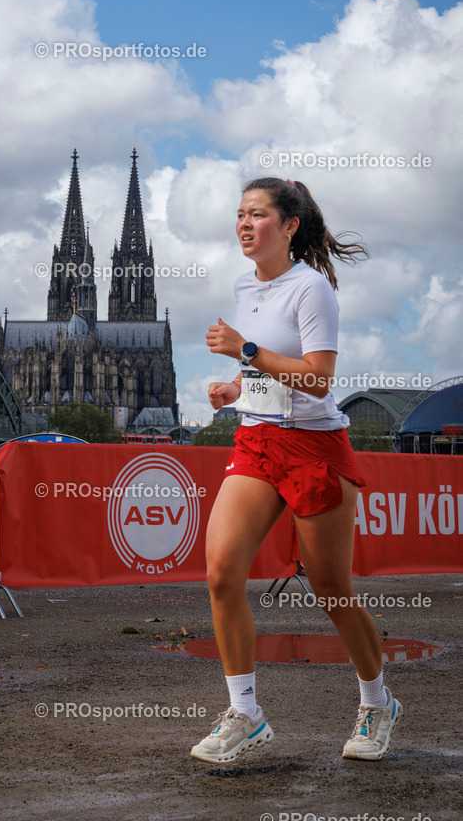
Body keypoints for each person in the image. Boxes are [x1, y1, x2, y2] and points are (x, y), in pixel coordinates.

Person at [191, 176, 402, 765]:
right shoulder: (243, 286)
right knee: (221, 573)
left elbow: (317, 378)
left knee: (332, 588)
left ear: (288, 227)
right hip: (257, 441)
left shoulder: (312, 290)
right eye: (239, 214)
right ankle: (246, 712)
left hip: (313, 446)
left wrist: (246, 353)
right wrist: (236, 386)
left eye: (257, 214)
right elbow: (262, 368)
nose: (244, 223)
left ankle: (376, 701)